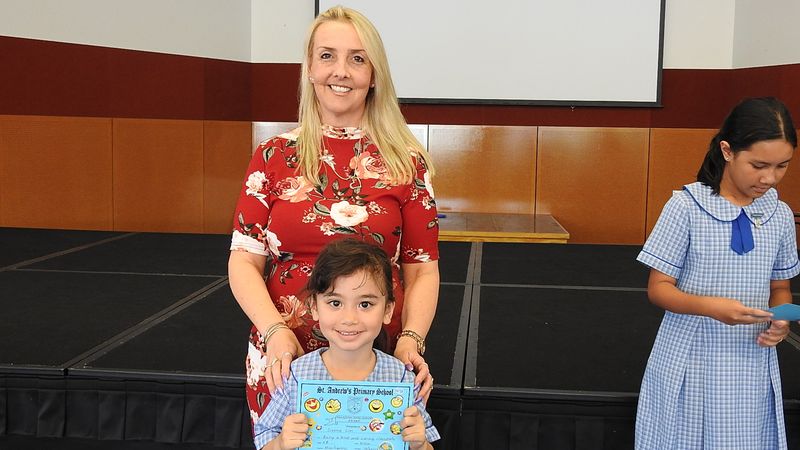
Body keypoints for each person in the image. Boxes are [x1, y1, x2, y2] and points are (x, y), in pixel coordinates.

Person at [228, 5, 439, 427]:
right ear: (309, 68)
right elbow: (243, 262)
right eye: (327, 56)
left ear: (374, 75)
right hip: (284, 358)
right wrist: (275, 332)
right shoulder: (272, 156)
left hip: (377, 360)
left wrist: (411, 340)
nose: (340, 71)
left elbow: (422, 271)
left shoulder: (407, 163)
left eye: (357, 59)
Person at [635, 97, 799, 449]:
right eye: (758, 165)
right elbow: (659, 288)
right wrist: (712, 308)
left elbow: (781, 287)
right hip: (690, 355)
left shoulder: (781, 215)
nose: (769, 178)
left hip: (750, 357)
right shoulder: (686, 207)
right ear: (727, 151)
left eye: (782, 166)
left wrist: (781, 320)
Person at [253, 239, 440, 450]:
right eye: (335, 303)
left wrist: (419, 444)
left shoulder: (402, 379)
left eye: (365, 304)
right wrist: (280, 443)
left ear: (387, 310)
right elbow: (265, 439)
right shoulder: (294, 376)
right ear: (314, 307)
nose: (349, 318)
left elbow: (424, 443)